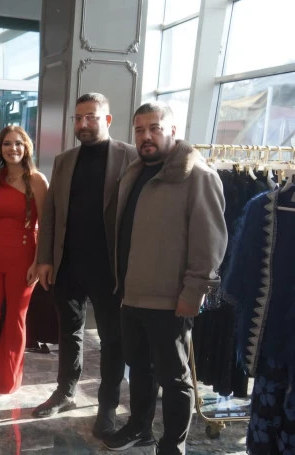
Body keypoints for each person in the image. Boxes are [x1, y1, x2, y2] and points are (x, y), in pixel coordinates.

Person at [103, 102, 227, 454]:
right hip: (132, 294)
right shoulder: (135, 171)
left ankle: (173, 445)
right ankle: (140, 428)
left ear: (173, 129)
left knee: (174, 377)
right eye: (139, 130)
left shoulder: (198, 175)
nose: (146, 136)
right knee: (139, 368)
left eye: (154, 128)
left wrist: (194, 291)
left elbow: (210, 242)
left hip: (171, 300)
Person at [32, 93, 137, 440]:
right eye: (78, 118)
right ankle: (66, 392)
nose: (83, 124)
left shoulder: (130, 157)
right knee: (69, 332)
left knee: (112, 339)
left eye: (90, 117)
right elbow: (50, 213)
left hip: (109, 268)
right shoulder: (64, 160)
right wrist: (45, 259)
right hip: (68, 264)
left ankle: (107, 406)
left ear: (107, 119)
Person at [0, 126, 48, 400]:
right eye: (7, 144)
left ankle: (5, 381)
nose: (13, 149)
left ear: (26, 148)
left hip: (24, 257)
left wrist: (38, 262)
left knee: (15, 318)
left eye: (18, 144)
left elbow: (45, 225)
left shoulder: (36, 180)